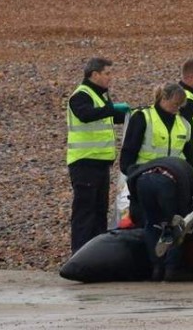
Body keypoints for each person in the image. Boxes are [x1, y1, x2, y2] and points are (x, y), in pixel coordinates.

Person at [66, 57, 130, 253]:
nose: (110, 77)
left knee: (100, 210)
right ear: (94, 74)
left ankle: (96, 252)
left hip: (101, 162)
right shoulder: (81, 95)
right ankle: (80, 253)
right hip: (85, 162)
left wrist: (132, 114)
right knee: (86, 210)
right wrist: (111, 109)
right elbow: (86, 115)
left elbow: (110, 116)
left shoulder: (100, 96)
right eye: (107, 73)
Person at [126, 156, 193, 282]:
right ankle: (172, 270)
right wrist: (184, 219)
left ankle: (157, 269)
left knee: (151, 224)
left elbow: (135, 205)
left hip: (142, 181)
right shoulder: (192, 177)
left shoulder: (146, 167)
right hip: (167, 181)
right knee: (175, 225)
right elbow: (185, 210)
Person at [120, 83, 193, 175]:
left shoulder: (184, 124)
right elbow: (129, 149)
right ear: (164, 98)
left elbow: (190, 155)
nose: (178, 108)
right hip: (144, 174)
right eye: (175, 104)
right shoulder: (142, 117)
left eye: (180, 105)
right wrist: (130, 173)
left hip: (173, 175)